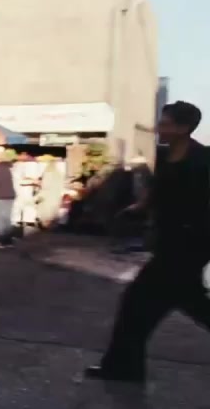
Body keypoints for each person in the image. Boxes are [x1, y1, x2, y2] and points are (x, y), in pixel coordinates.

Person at [85, 101, 210, 384]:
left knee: (138, 304)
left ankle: (122, 368)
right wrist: (139, 208)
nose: (159, 129)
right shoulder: (164, 156)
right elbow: (157, 192)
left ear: (183, 128)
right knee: (181, 303)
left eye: (166, 124)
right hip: (169, 243)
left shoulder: (203, 159)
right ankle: (123, 368)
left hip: (190, 245)